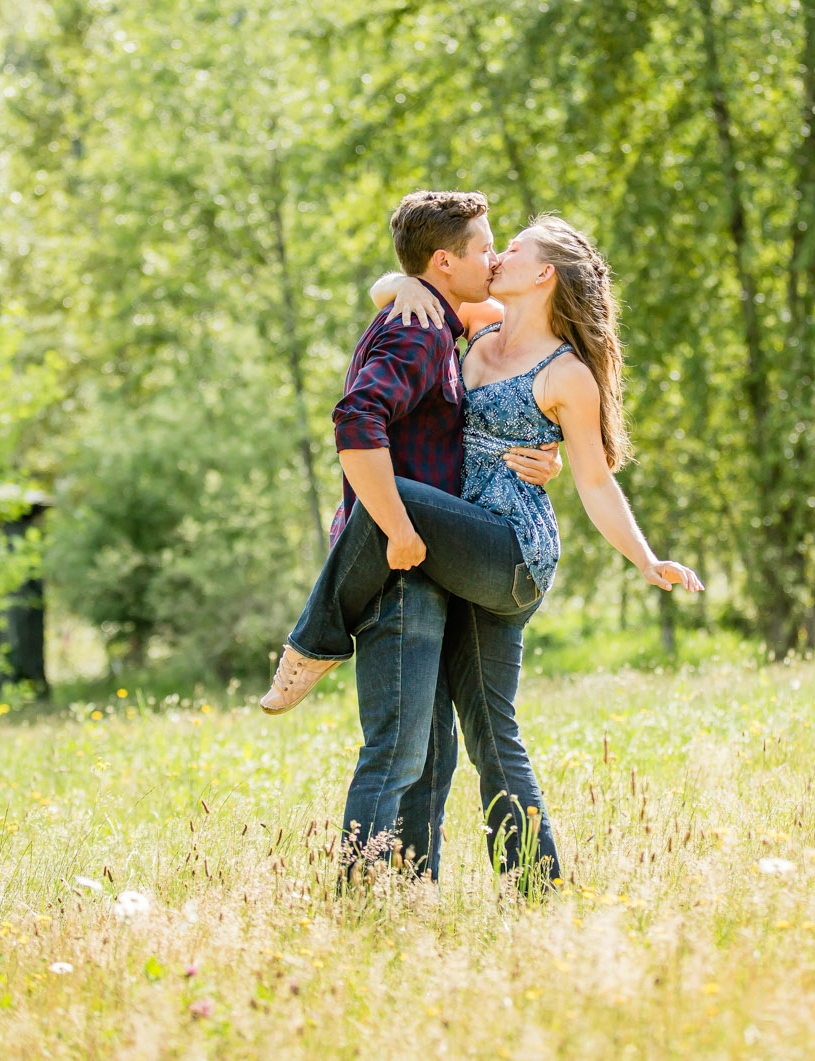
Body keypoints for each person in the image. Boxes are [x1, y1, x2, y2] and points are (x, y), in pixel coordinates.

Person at [264, 211, 703, 888]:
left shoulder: (566, 375)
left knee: (391, 495)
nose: (498, 254)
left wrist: (646, 558)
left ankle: (315, 639)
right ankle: (522, 887)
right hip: (457, 546)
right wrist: (401, 284)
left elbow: (594, 479)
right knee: (481, 732)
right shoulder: (483, 325)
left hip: (509, 553)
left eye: (515, 248)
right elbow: (411, 284)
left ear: (543, 273)